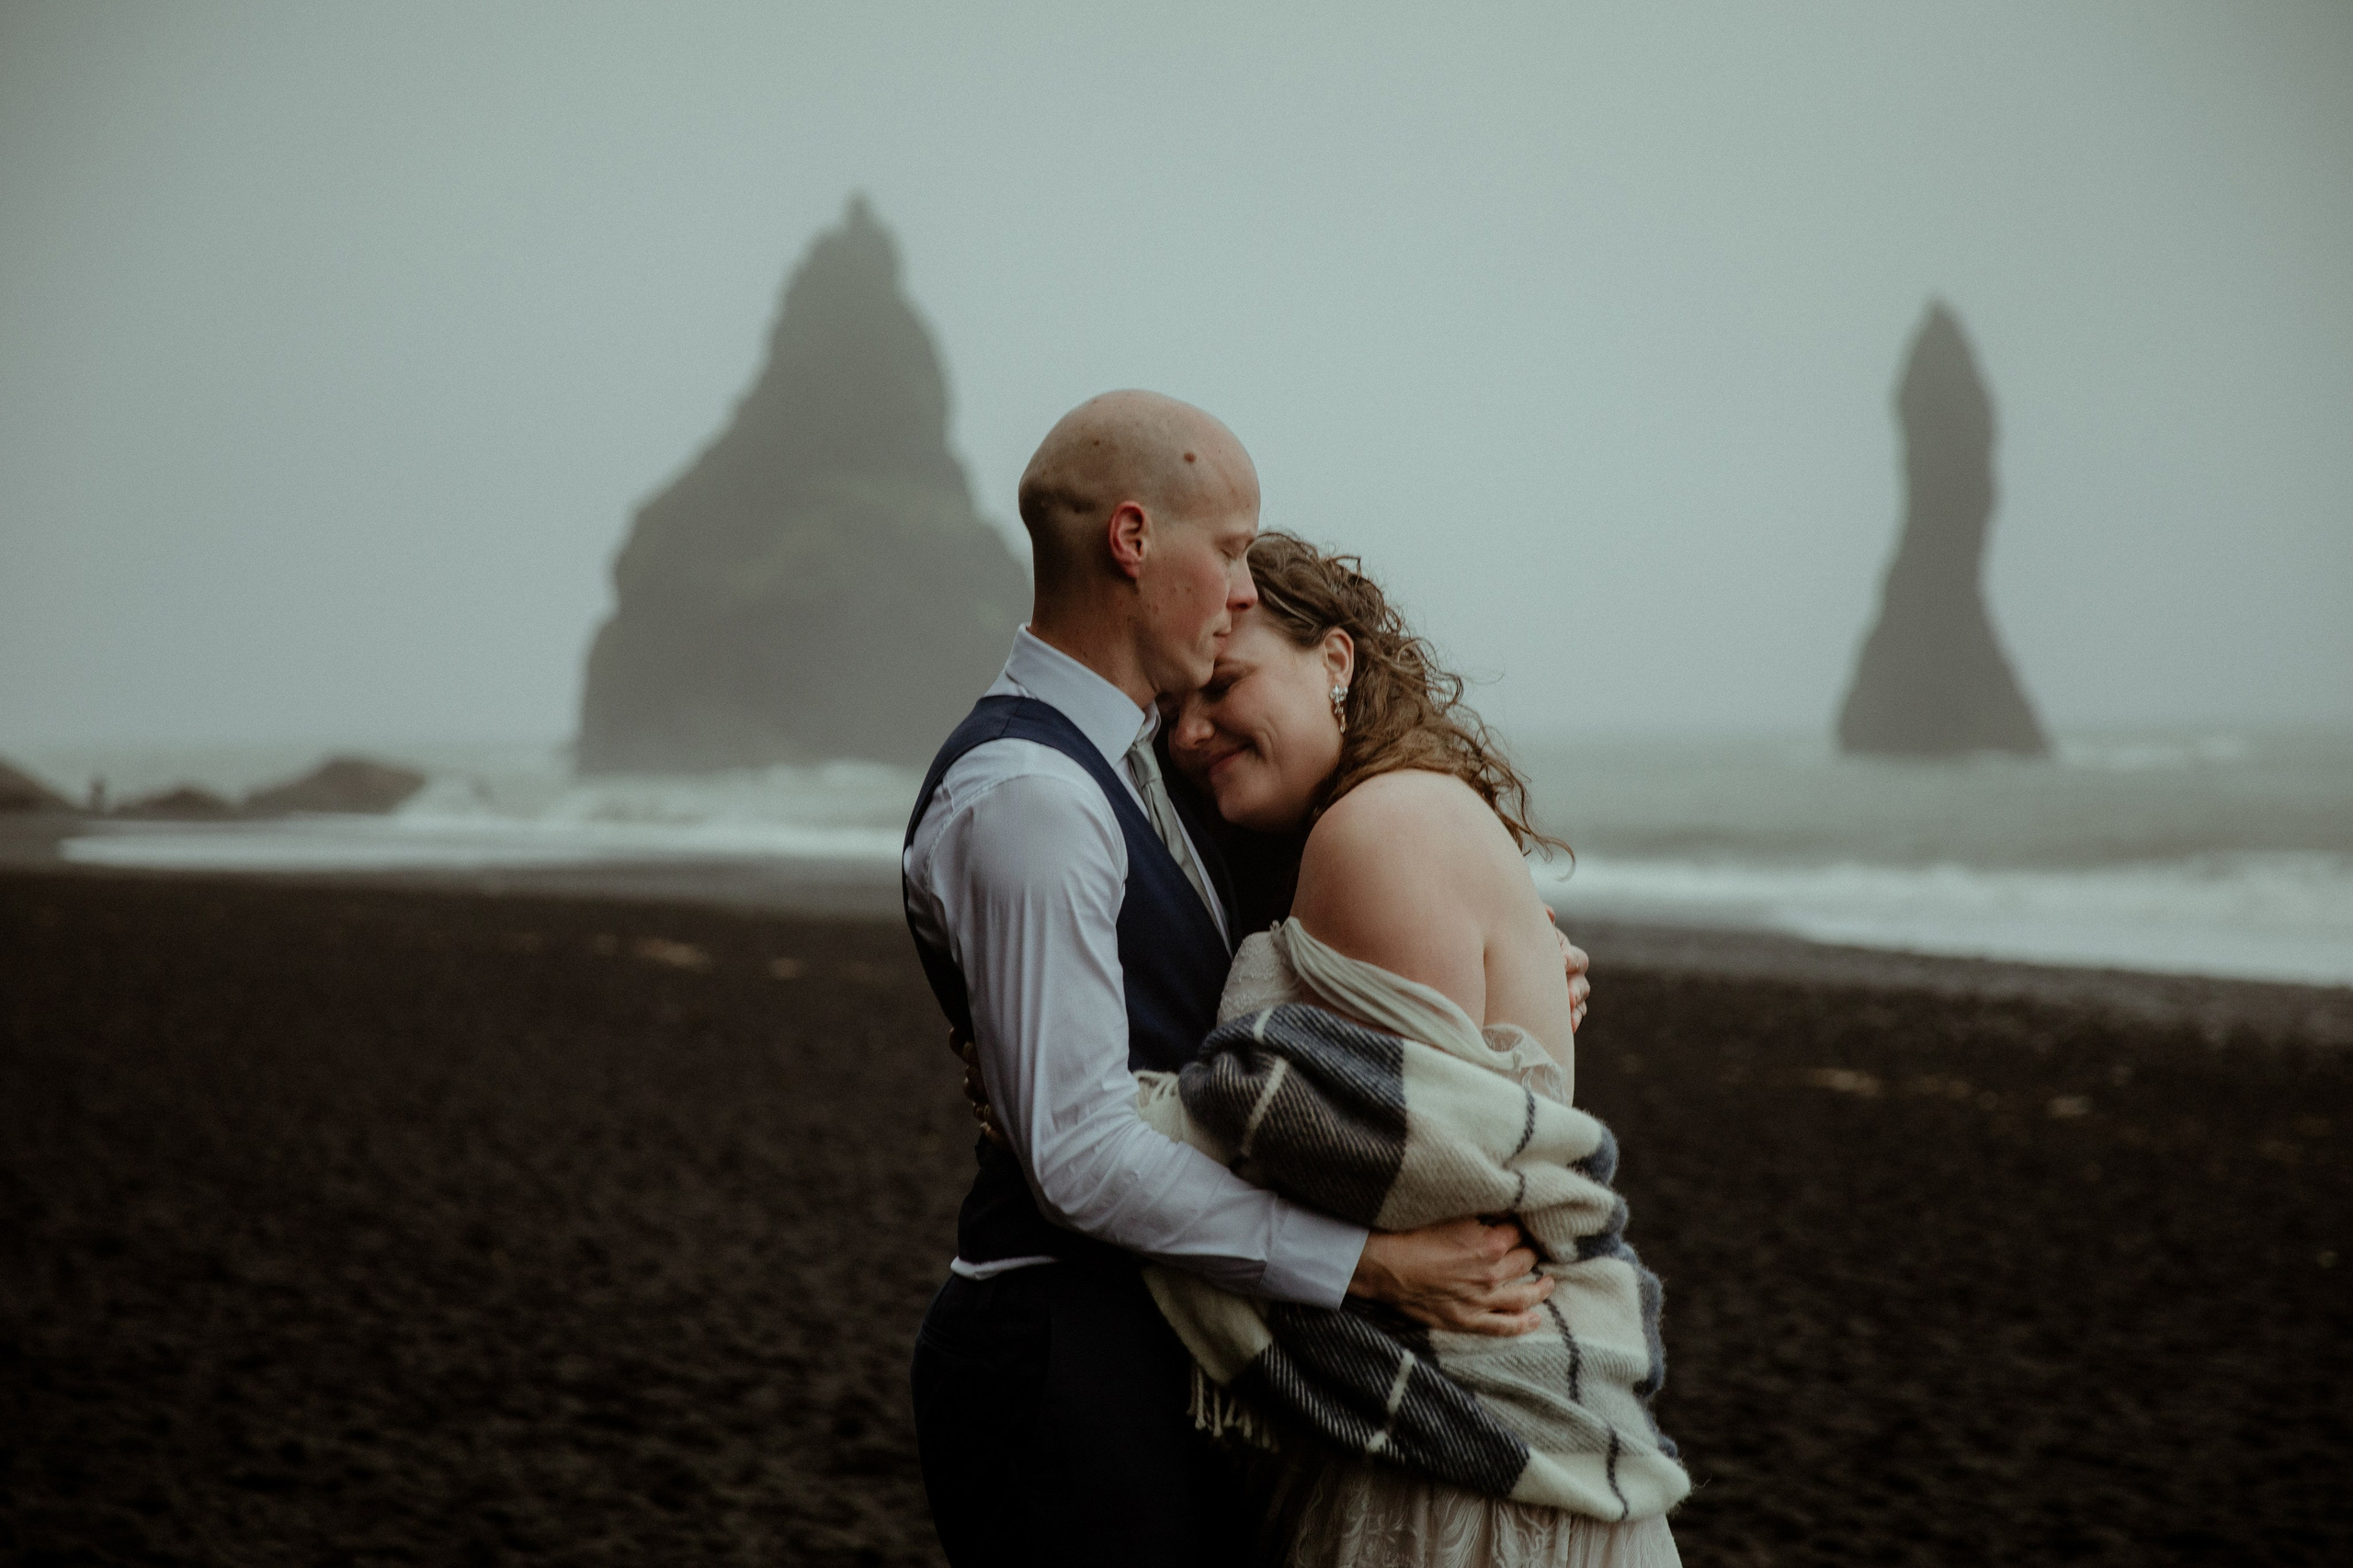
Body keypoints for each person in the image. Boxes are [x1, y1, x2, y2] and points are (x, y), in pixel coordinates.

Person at [902, 392, 1573, 1568]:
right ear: (1131, 541)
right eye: (1225, 551)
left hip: (1165, 1349)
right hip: (1058, 1343)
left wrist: (1510, 969)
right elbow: (1075, 1152)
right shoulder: (1031, 798)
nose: (1239, 588)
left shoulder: (1144, 772)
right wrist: (1371, 1263)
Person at [1158, 532, 1684, 1566]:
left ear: (1337, 662)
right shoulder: (1404, 812)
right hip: (1500, 1434)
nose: (1189, 728)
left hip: (1461, 1458)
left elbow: (1387, 1171)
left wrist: (1101, 1115)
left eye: (1221, 683)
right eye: (1170, 706)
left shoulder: (1377, 829)